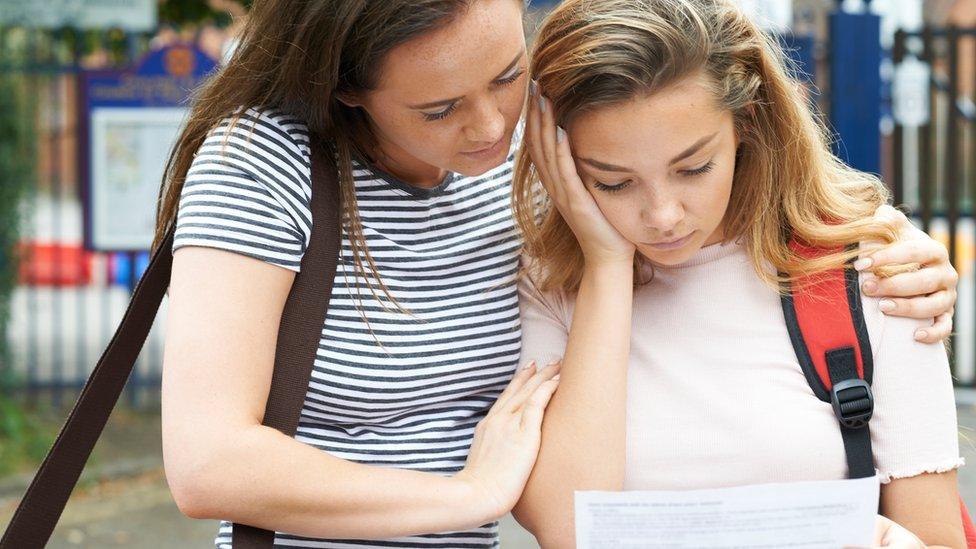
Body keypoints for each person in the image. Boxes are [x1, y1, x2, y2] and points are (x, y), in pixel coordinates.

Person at [156, 0, 960, 547]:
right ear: (348, 91)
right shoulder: (263, 161)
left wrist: (891, 249)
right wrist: (469, 497)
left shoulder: (544, 155)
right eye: (439, 109)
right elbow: (208, 461)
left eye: (508, 73)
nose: (491, 125)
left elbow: (683, 145)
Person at [511, 0, 965, 547]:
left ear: (748, 120)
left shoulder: (871, 266)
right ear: (558, 158)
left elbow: (937, 537)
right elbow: (567, 529)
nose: (663, 215)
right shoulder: (550, 278)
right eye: (613, 182)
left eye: (693, 168)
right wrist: (608, 266)